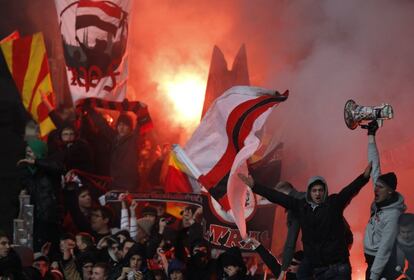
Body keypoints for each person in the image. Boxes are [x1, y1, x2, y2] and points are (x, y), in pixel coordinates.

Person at [239, 162, 372, 280]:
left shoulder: (334, 203)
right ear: (310, 192)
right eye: (314, 190)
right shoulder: (301, 207)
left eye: (320, 190)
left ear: (325, 191)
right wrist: (255, 186)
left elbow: (348, 191)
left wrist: (364, 178)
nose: (318, 193)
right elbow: (278, 197)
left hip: (338, 268)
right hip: (319, 269)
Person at [363, 121, 406, 280]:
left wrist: (374, 276)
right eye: (376, 185)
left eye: (380, 187)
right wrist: (371, 136)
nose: (375, 189)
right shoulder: (383, 197)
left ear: (390, 191)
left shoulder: (393, 215)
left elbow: (385, 248)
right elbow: (374, 165)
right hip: (371, 263)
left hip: (382, 266)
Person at [396, 213, 414, 279]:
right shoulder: (399, 244)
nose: (406, 236)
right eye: (403, 232)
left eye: (409, 232)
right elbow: (400, 264)